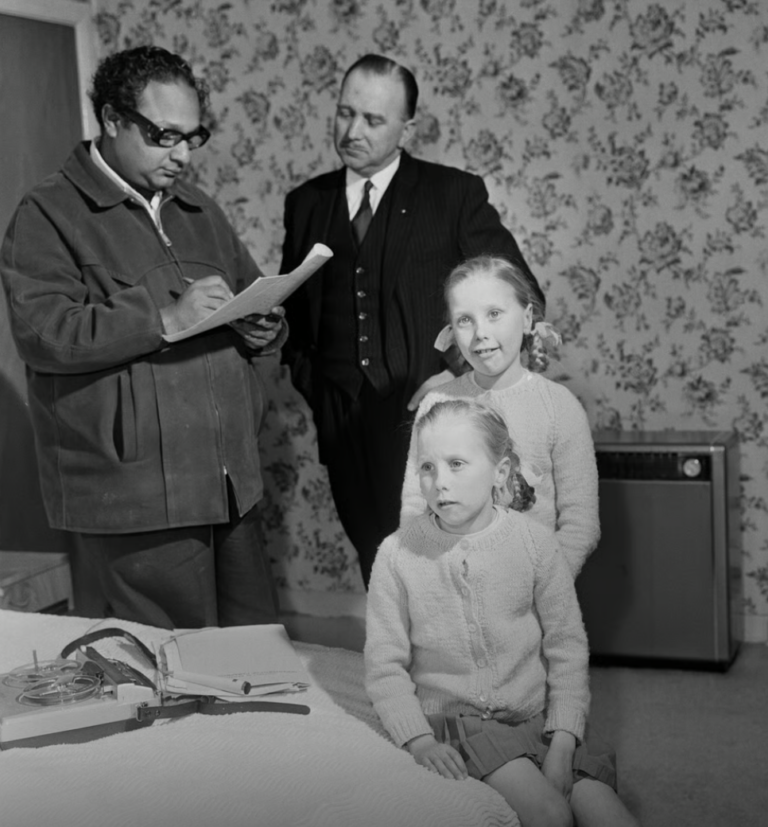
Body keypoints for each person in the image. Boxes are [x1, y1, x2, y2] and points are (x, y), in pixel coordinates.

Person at [0, 46, 285, 630]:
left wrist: (263, 326)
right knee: (165, 661)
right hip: (136, 496)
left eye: (192, 137)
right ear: (112, 119)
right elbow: (44, 332)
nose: (182, 155)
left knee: (255, 652)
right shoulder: (48, 213)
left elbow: (251, 292)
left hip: (230, 482)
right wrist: (164, 318)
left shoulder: (199, 209)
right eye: (164, 135)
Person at [280, 53, 544, 586]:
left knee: (446, 577)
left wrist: (461, 378)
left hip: (433, 424)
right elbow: (295, 314)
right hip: (343, 425)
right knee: (378, 567)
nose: (353, 131)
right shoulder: (306, 203)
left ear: (407, 128)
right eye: (345, 113)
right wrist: (318, 388)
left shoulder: (452, 194)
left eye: (373, 119)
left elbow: (522, 298)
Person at [365, 400, 638, 827]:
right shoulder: (396, 555)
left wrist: (563, 741)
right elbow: (384, 667)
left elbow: (567, 647)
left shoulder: (535, 544)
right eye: (427, 467)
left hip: (539, 718)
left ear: (500, 471)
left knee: (610, 817)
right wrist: (418, 740)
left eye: (457, 464)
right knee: (552, 815)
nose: (440, 482)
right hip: (463, 723)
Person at [400, 255, 598, 578]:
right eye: (465, 320)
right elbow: (414, 507)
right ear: (451, 331)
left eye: (494, 314)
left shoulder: (560, 407)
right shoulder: (436, 404)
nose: (480, 332)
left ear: (527, 318)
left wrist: (543, 586)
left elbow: (581, 525)